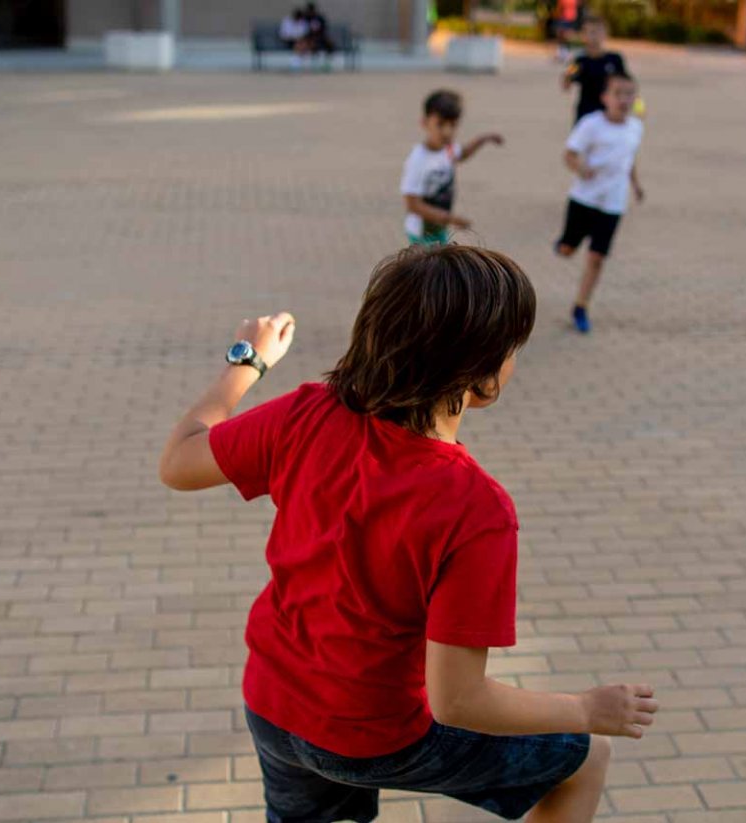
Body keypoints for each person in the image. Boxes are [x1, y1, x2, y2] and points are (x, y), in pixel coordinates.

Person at [156, 246, 659, 823]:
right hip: (371, 735)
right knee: (584, 758)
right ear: (483, 376)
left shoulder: (307, 414)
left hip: (273, 705)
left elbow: (178, 463)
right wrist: (585, 710)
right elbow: (460, 701)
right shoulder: (475, 507)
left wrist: (246, 361)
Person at [557, 73, 645, 334]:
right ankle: (566, 243)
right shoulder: (591, 125)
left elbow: (629, 159)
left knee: (596, 258)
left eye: (630, 94)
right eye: (618, 94)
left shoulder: (636, 127)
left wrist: (636, 185)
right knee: (567, 250)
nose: (624, 99)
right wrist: (580, 168)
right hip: (583, 199)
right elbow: (569, 154)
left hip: (613, 204)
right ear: (605, 97)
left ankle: (581, 306)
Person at [400, 90, 504, 247]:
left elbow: (462, 153)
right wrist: (450, 219)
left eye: (453, 125)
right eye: (440, 125)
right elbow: (412, 204)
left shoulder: (447, 149)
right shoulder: (418, 160)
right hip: (422, 232)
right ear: (424, 123)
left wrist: (483, 140)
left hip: (440, 228)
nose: (447, 132)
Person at [561, 18, 626, 124]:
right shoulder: (579, 61)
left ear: (605, 34)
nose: (594, 36)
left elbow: (625, 84)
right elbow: (566, 84)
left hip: (609, 113)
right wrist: (568, 75)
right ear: (583, 36)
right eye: (590, 32)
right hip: (586, 113)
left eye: (598, 31)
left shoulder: (614, 59)